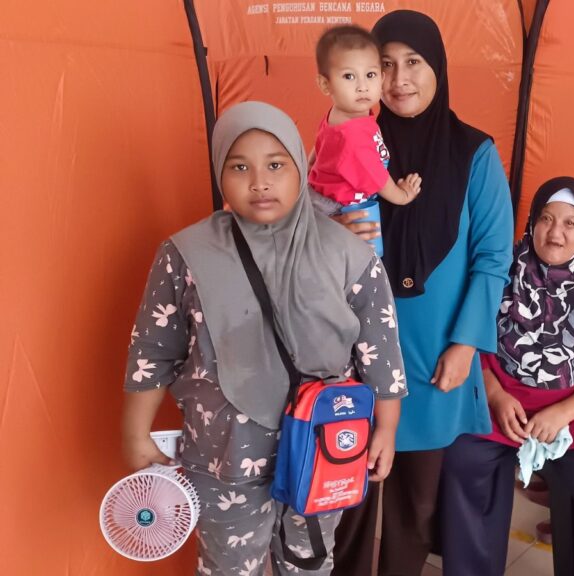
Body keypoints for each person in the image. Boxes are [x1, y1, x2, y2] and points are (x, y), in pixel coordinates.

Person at [121, 102, 406, 576]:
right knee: (229, 567)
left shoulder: (349, 254)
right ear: (219, 172)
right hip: (225, 452)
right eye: (239, 167)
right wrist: (135, 434)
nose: (259, 182)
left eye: (276, 165)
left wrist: (387, 429)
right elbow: (153, 350)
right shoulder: (184, 255)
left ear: (301, 167)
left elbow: (381, 349)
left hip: (324, 445)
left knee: (310, 563)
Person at [329, 10, 513, 576]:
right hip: (354, 346)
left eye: (413, 62)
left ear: (438, 68)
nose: (398, 78)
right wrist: (330, 228)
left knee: (416, 503)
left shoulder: (475, 153)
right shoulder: (351, 143)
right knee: (345, 492)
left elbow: (492, 258)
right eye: (384, 65)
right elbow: (312, 224)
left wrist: (466, 345)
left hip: (436, 353)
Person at [440, 177, 574, 576]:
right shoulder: (500, 274)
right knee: (463, 456)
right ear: (532, 222)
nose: (555, 233)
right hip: (503, 404)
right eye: (547, 219)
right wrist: (495, 395)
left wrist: (563, 413)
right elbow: (469, 342)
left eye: (569, 223)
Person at [307, 26, 421, 236]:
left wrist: (311, 169)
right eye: (349, 76)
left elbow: (319, 146)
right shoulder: (354, 134)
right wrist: (402, 195)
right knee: (361, 249)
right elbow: (376, 176)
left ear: (381, 78)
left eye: (370, 75)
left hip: (319, 197)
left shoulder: (340, 113)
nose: (362, 86)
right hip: (337, 207)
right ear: (325, 84)